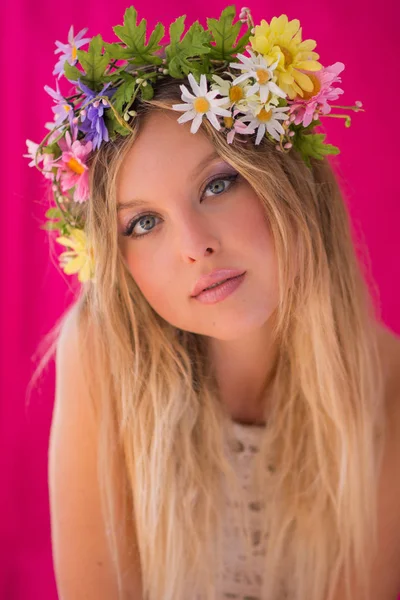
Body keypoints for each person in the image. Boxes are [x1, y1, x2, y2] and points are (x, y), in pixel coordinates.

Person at [26, 6, 400, 600]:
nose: (195, 246)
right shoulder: (102, 356)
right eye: (144, 222)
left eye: (217, 184)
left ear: (287, 179)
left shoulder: (386, 381)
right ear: (116, 260)